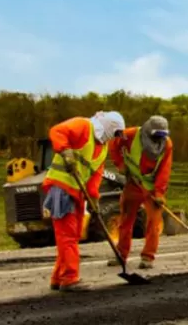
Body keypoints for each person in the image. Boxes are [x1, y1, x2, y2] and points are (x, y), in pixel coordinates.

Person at [41, 110, 125, 291]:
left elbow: (95, 177)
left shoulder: (102, 149)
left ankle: (58, 277)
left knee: (73, 234)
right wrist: (65, 151)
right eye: (117, 133)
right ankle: (70, 278)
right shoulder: (83, 125)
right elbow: (57, 131)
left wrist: (94, 199)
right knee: (67, 236)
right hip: (61, 188)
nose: (116, 137)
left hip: (77, 192)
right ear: (109, 127)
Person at [109, 116, 172, 270]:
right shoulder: (128, 134)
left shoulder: (167, 145)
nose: (160, 138)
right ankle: (121, 254)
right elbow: (112, 144)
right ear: (148, 131)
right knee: (125, 220)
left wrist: (159, 193)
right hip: (133, 184)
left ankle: (148, 257)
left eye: (162, 135)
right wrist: (120, 164)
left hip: (151, 188)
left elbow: (164, 170)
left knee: (153, 222)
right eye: (157, 135)